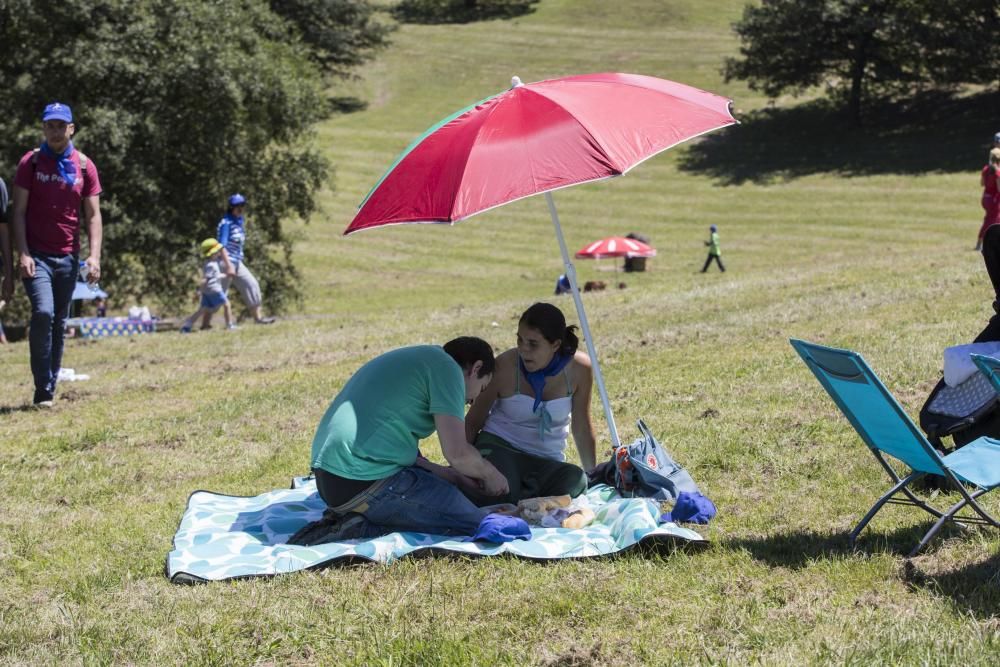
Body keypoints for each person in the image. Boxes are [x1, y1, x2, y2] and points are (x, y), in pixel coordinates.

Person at [307, 337, 510, 540]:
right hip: (361, 481)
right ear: (476, 368)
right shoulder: (449, 370)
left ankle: (355, 513)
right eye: (482, 388)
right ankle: (358, 528)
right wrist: (490, 474)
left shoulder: (423, 360)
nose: (472, 401)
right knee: (475, 522)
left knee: (442, 490)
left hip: (331, 480)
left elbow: (406, 455)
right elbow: (457, 454)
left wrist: (455, 477)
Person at [11, 102, 102, 407]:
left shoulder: (85, 166)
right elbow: (18, 213)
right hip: (37, 256)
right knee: (44, 313)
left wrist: (94, 257)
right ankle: (42, 387)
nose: (54, 131)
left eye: (60, 125)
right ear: (44, 128)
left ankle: (48, 389)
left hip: (68, 256)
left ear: (71, 128)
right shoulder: (31, 163)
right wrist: (22, 253)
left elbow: (92, 216)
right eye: (49, 125)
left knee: (59, 323)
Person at [463, 302, 598, 505]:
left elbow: (582, 427)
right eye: (520, 340)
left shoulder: (579, 368)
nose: (523, 350)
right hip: (500, 448)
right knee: (501, 491)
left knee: (576, 482)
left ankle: (525, 497)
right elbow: (473, 422)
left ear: (556, 345)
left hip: (546, 459)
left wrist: (592, 476)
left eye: (533, 344)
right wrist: (464, 466)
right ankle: (523, 498)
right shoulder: (505, 365)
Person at [201, 193, 274, 327]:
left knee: (251, 284)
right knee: (218, 292)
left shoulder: (238, 222)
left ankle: (258, 318)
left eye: (242, 206)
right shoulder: (226, 223)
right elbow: (221, 245)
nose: (240, 209)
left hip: (237, 261)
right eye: (237, 206)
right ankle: (205, 323)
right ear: (231, 207)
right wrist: (228, 265)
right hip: (225, 262)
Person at [179, 239, 235, 333]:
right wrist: (199, 290)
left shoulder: (209, 264)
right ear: (212, 252)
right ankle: (230, 325)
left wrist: (225, 275)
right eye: (217, 251)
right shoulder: (211, 265)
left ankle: (187, 325)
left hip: (208, 291)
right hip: (214, 290)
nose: (219, 252)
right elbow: (206, 279)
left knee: (202, 309)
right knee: (226, 304)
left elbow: (214, 276)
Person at [976, 148, 1000, 252]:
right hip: (994, 201)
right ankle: (980, 244)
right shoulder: (997, 171)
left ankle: (983, 244)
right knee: (992, 222)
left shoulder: (985, 169)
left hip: (986, 198)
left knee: (991, 220)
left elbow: (982, 184)